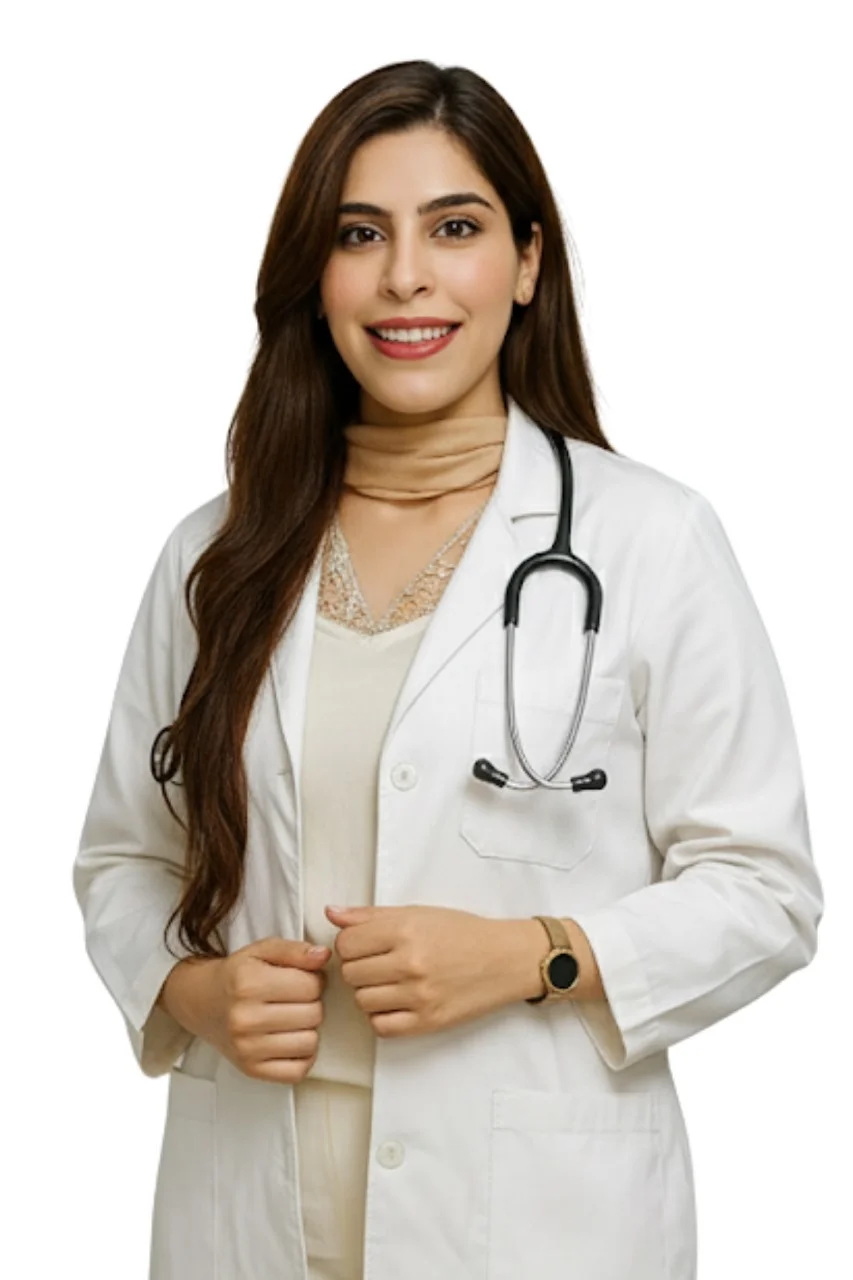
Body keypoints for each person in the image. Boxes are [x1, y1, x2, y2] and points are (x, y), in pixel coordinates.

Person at [72, 59, 823, 1280]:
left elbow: (764, 887)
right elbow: (123, 858)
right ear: (314, 276)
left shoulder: (650, 540)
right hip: (243, 1213)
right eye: (359, 233)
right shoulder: (217, 554)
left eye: (455, 228)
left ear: (526, 263)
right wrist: (190, 990)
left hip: (537, 1222)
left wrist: (535, 953)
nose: (405, 276)